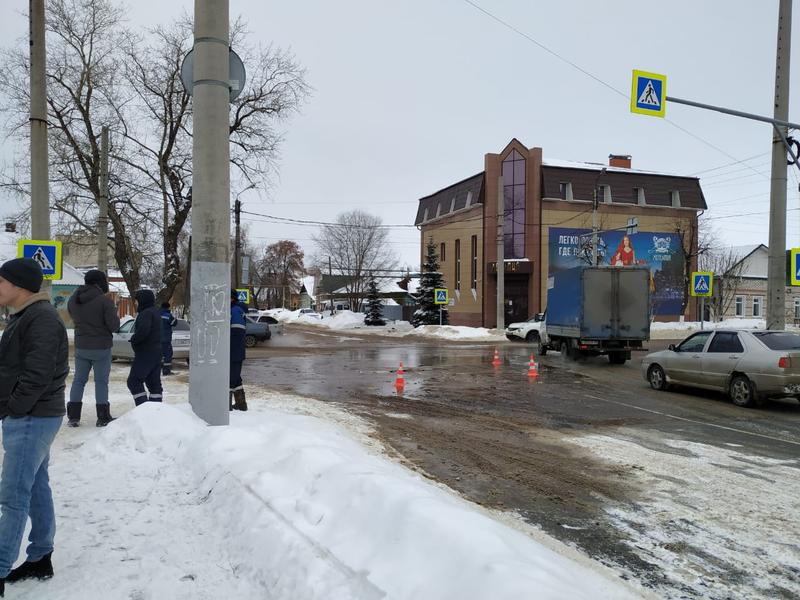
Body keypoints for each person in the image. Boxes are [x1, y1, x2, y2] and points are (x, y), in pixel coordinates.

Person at [0, 258, 69, 594]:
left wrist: (14, 408)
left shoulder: (40, 318)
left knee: (13, 495)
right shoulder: (27, 315)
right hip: (33, 415)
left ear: (19, 285)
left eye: (1, 281)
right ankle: (41, 555)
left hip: (31, 417)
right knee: (36, 486)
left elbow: (37, 375)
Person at [66, 269, 120, 427]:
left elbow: (74, 317)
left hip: (81, 346)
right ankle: (102, 417)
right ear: (99, 283)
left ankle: (73, 417)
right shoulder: (105, 302)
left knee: (78, 381)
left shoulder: (73, 299)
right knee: (101, 382)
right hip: (101, 347)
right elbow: (114, 326)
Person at [126, 290, 162, 406]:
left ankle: (143, 408)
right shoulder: (155, 312)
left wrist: (134, 339)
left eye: (137, 300)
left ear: (142, 300)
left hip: (145, 353)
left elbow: (143, 331)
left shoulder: (145, 313)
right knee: (154, 384)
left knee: (134, 381)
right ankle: (156, 410)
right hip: (156, 352)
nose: (135, 303)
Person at [230, 290, 248, 411]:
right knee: (236, 378)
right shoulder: (237, 310)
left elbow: (236, 332)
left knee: (230, 378)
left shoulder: (234, 310)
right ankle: (241, 404)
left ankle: (225, 405)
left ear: (231, 298)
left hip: (233, 351)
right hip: (237, 351)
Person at [159, 302, 178, 376]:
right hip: (166, 339)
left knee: (158, 354)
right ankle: (166, 371)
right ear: (168, 307)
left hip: (156, 339)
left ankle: (155, 370)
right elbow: (174, 323)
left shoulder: (156, 314)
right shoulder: (168, 315)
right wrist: (175, 318)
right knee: (168, 354)